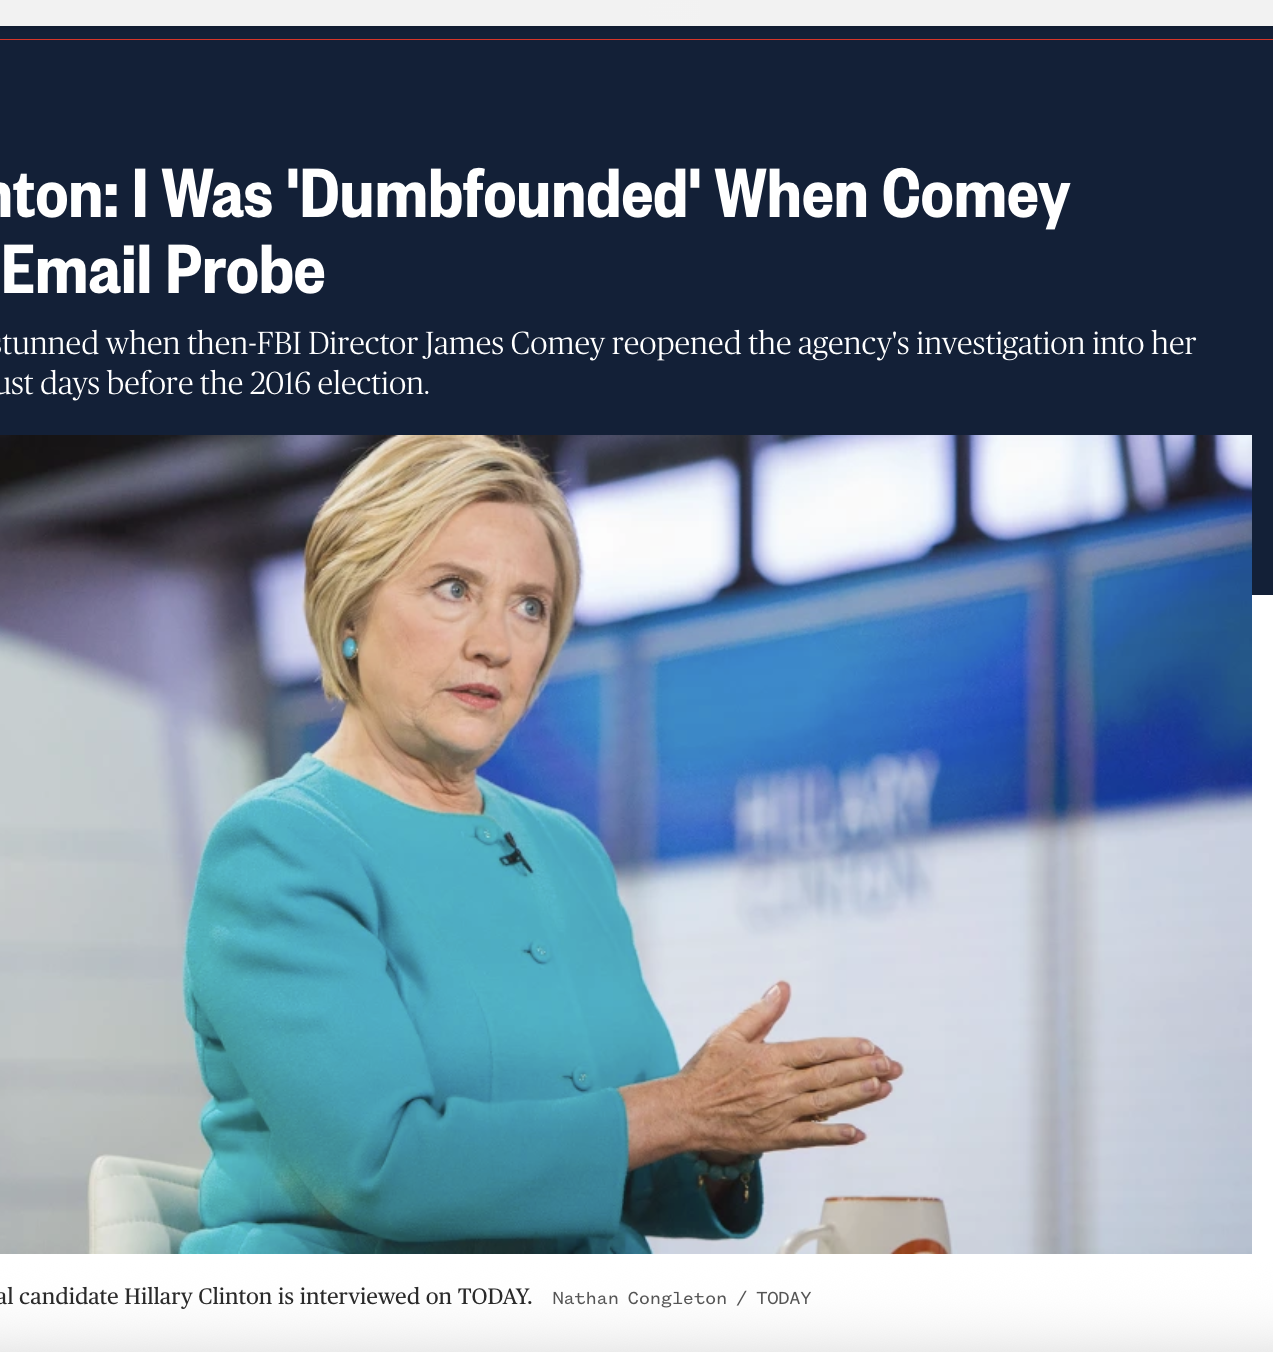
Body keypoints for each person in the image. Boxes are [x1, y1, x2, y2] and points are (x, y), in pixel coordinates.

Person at [180, 435, 903, 1253]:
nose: (496, 642)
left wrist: (723, 1136)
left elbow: (633, 1163)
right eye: (454, 589)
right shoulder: (280, 847)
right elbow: (384, 1167)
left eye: (530, 606)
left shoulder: (567, 851)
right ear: (350, 614)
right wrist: (683, 1107)